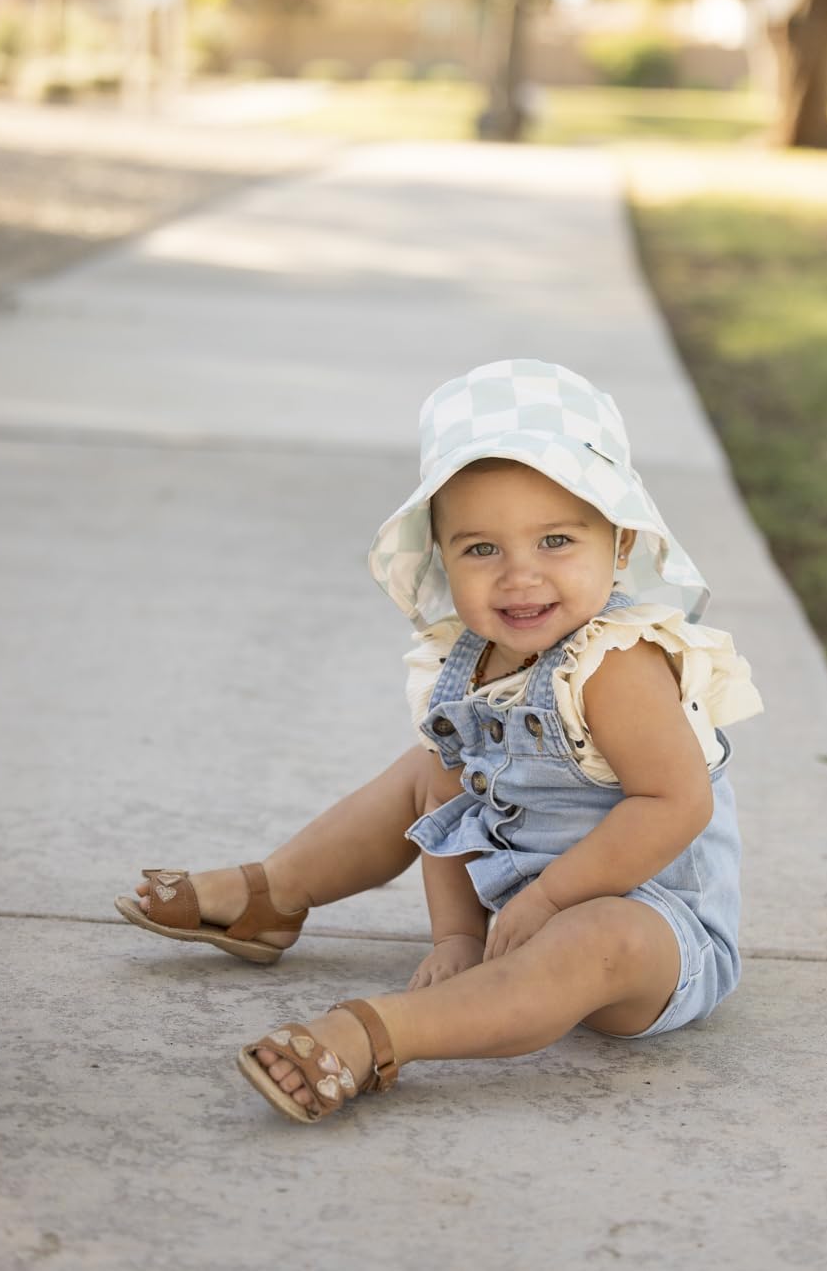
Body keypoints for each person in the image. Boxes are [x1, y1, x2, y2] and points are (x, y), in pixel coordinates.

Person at [116, 359, 763, 1124]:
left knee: (599, 936)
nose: (519, 576)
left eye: (556, 540)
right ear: (441, 555)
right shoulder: (468, 660)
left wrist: (552, 897)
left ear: (620, 544)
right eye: (482, 549)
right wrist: (457, 935)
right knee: (426, 770)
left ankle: (380, 1034)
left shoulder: (616, 663)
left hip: (655, 927)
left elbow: (676, 804)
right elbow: (452, 808)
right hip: (526, 906)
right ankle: (275, 892)